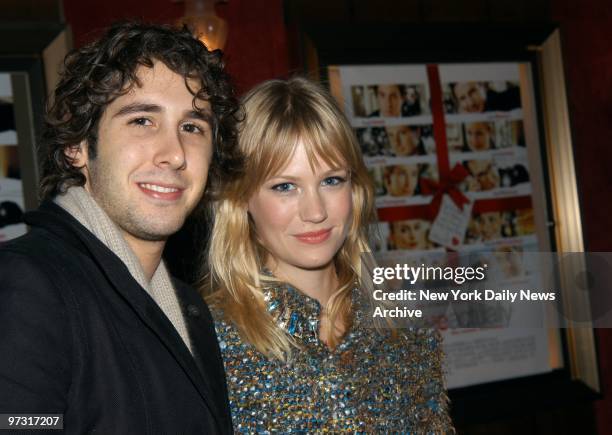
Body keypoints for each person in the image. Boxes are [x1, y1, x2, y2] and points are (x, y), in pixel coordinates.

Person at [0, 22, 240, 434]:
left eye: (192, 127)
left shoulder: (188, 306)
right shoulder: (27, 284)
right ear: (77, 146)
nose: (175, 154)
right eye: (142, 120)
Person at [204, 77, 452, 432]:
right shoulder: (209, 341)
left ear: (356, 187)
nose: (315, 211)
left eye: (331, 180)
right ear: (242, 198)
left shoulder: (405, 326)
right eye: (285, 186)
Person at [452, 81, 521, 113]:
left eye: (472, 92)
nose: (471, 103)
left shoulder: (509, 100)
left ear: (482, 87)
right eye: (462, 98)